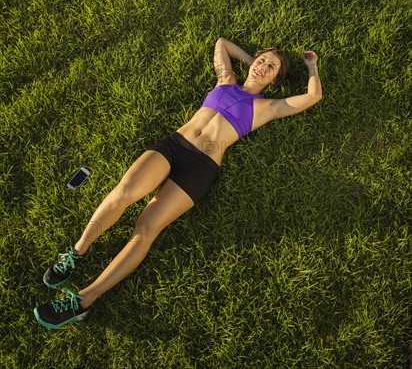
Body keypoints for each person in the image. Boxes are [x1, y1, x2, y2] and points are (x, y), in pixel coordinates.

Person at [34, 37, 322, 328]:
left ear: (275, 79)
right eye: (262, 60)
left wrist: (312, 67)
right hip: (174, 146)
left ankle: (83, 301)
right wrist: (251, 62)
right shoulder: (226, 80)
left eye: (271, 67)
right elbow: (222, 43)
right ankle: (78, 251)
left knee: (146, 229)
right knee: (123, 192)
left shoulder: (267, 107)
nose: (263, 66)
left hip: (200, 169)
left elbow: (311, 98)